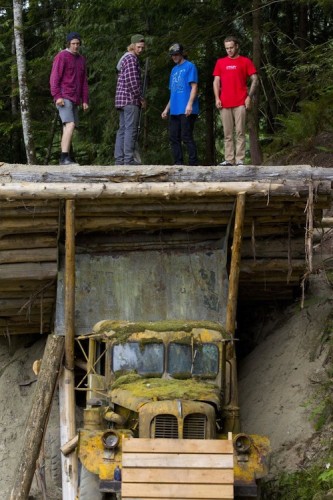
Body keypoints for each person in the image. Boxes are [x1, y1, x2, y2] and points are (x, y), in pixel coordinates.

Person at [213, 36, 258, 166]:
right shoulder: (220, 62)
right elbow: (216, 81)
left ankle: (240, 160)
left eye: (231, 47)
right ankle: (229, 160)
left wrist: (249, 96)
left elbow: (255, 79)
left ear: (237, 46)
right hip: (224, 102)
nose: (229, 50)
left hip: (240, 102)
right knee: (227, 134)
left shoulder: (245, 61)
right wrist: (217, 98)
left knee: (240, 132)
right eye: (227, 48)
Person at [50, 31, 89, 166]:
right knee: (70, 124)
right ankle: (64, 157)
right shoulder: (62, 56)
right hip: (64, 96)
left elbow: (84, 81)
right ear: (68, 44)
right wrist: (57, 96)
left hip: (75, 98)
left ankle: (64, 157)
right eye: (73, 44)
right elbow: (54, 78)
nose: (76, 46)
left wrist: (85, 100)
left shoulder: (81, 59)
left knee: (69, 127)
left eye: (78, 44)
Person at [161, 43, 199, 166]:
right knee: (173, 137)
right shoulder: (173, 70)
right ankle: (178, 163)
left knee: (186, 136)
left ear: (181, 53)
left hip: (187, 109)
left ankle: (193, 164)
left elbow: (194, 87)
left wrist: (189, 104)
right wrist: (166, 109)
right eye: (172, 55)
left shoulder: (190, 66)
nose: (174, 57)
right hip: (175, 109)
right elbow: (173, 92)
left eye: (176, 54)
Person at [114, 34, 146, 165]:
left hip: (121, 99)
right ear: (132, 46)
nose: (140, 50)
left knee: (122, 129)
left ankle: (119, 159)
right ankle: (128, 159)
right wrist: (141, 98)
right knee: (130, 130)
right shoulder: (132, 59)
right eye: (138, 47)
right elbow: (133, 82)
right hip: (130, 100)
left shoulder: (124, 59)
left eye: (142, 47)